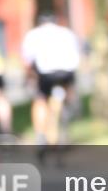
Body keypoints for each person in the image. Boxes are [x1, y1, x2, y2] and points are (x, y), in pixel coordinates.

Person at [21, 12, 82, 150]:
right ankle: (70, 105)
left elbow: (27, 61)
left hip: (45, 74)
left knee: (40, 100)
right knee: (68, 87)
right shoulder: (66, 33)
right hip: (66, 72)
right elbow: (77, 55)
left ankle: (40, 135)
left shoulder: (33, 34)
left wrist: (28, 76)